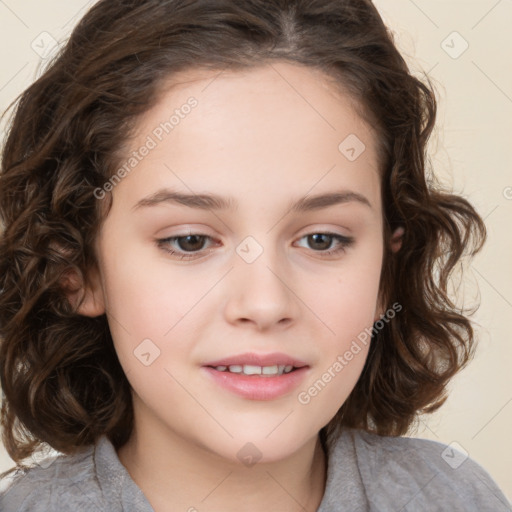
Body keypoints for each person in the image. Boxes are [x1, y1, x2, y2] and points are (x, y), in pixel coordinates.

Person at [0, 0, 510, 510]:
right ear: (78, 270)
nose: (265, 304)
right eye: (190, 241)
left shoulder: (453, 496)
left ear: (387, 273)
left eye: (322, 239)